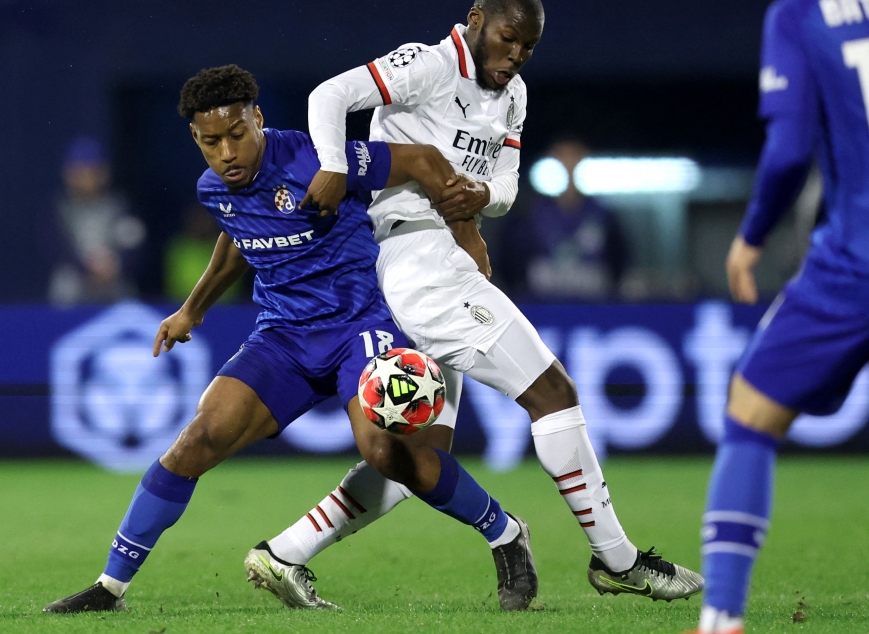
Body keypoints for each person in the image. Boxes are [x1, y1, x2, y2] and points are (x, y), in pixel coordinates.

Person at [255, 0, 703, 610]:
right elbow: (330, 94)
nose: (516, 54)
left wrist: (481, 199)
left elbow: (508, 186)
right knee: (553, 393)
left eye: (527, 46)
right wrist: (333, 164)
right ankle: (619, 559)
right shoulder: (430, 64)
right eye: (507, 37)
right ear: (475, 21)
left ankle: (284, 553)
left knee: (417, 454)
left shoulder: (512, 96)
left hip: (437, 259)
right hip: (417, 258)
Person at [43, 65, 538, 613]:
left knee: (386, 451)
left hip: (360, 328)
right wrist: (191, 310)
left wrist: (468, 234)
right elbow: (239, 239)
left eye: (237, 134)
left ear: (258, 118)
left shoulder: (316, 158)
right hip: (283, 337)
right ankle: (110, 589)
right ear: (195, 139)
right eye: (212, 142)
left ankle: (506, 533)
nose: (227, 152)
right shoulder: (214, 189)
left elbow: (421, 160)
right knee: (196, 441)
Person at [688, 0, 869, 633]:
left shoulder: (804, 13)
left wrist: (751, 238)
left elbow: (790, 150)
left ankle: (722, 618)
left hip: (856, 260)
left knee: (750, 415)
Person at [499, 139, 628, 300]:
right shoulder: (527, 214)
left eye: (574, 156)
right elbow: (510, 263)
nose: (568, 164)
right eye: (561, 156)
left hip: (593, 308)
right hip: (538, 308)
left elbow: (618, 263)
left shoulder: (604, 215)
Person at [45, 136, 146, 305]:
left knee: (126, 293)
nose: (86, 178)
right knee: (64, 284)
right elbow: (55, 247)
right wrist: (86, 266)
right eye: (80, 172)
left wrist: (117, 263)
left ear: (104, 173)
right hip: (75, 282)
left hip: (113, 280)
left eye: (92, 171)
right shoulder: (58, 209)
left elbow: (135, 245)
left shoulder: (120, 207)